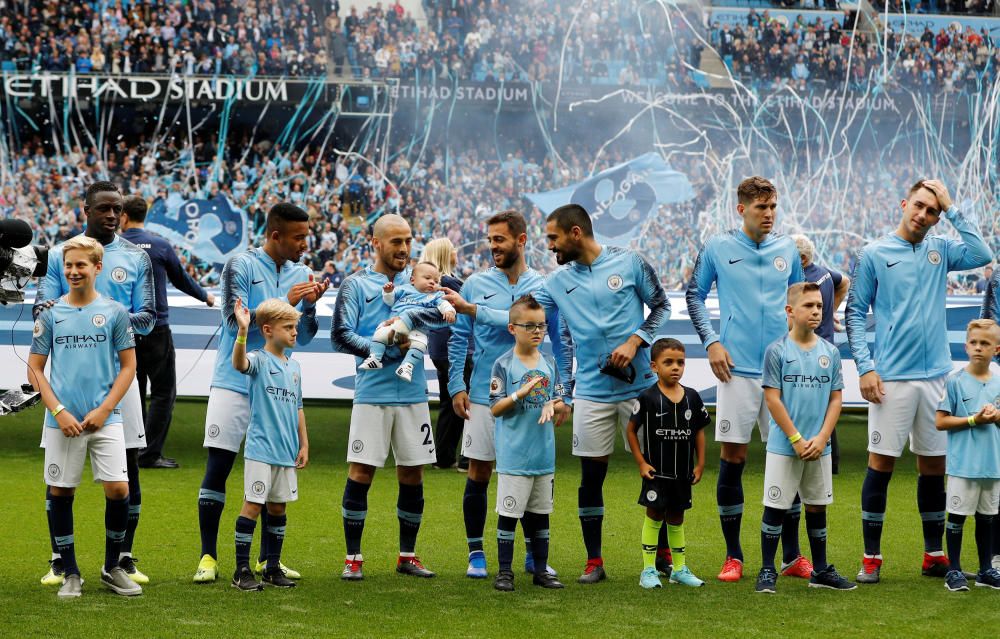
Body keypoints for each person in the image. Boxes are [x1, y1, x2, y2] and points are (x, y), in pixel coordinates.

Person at [445, 204, 669, 584]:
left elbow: (661, 306)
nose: (549, 246)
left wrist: (636, 340)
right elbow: (522, 319)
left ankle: (664, 556)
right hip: (594, 391)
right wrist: (473, 310)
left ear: (576, 233)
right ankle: (593, 563)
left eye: (553, 238)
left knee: (657, 471)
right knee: (590, 477)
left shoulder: (630, 262)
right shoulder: (555, 283)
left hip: (641, 384)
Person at [846, 179, 992, 584]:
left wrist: (952, 206)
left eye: (933, 211)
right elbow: (855, 313)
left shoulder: (940, 250)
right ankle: (871, 557)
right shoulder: (873, 253)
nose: (924, 215)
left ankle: (933, 554)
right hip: (891, 378)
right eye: (920, 206)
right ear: (904, 203)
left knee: (934, 468)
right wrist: (865, 367)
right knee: (881, 465)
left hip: (937, 379)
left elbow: (983, 253)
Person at [193, 203, 326, 584]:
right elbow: (235, 321)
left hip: (275, 388)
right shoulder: (241, 265)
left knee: (273, 471)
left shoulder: (303, 272)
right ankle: (208, 555)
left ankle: (269, 561)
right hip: (234, 381)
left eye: (306, 235)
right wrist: (289, 301)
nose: (305, 243)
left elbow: (306, 334)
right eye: (298, 237)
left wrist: (310, 308)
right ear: (275, 236)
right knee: (218, 467)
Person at [686, 176, 808, 583]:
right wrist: (713, 342)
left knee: (787, 459)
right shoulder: (719, 247)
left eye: (773, 207)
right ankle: (733, 556)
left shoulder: (787, 248)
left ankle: (791, 556)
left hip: (781, 374)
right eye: (761, 208)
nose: (770, 215)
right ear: (741, 210)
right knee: (733, 459)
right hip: (734, 370)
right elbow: (694, 296)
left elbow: (796, 304)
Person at [35, 181, 156, 587]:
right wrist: (82, 315)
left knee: (128, 469)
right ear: (85, 209)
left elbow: (149, 316)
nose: (111, 215)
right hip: (70, 383)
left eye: (117, 208)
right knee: (60, 480)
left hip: (118, 378)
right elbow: (43, 307)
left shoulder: (137, 256)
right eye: (103, 208)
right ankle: (60, 561)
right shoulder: (60, 253)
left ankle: (121, 558)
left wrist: (108, 320)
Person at [444, 210, 563, 579]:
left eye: (500, 239)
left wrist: (562, 393)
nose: (493, 246)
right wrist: (455, 385)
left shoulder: (543, 286)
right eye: (490, 240)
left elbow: (556, 341)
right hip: (483, 394)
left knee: (528, 470)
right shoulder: (476, 283)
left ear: (522, 240)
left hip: (533, 399)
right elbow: (458, 339)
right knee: (479, 470)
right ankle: (476, 553)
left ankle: (532, 556)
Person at [332, 213, 437, 581]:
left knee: (412, 472)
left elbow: (439, 319)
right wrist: (390, 346)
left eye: (408, 241)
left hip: (412, 393)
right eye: (396, 242)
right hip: (373, 392)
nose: (404, 249)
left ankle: (407, 555)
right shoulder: (356, 285)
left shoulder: (420, 283)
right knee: (361, 471)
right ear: (375, 243)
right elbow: (341, 336)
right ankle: (353, 558)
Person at [756, 282, 854, 594]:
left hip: (819, 447)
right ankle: (768, 569)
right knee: (776, 506)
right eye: (808, 305)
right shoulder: (777, 351)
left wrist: (823, 437)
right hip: (786, 447)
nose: (815, 311)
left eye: (819, 307)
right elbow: (773, 399)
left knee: (816, 506)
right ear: (790, 311)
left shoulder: (830, 352)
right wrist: (797, 438)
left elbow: (836, 400)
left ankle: (821, 570)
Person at [119, 195, 216, 470]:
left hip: (123, 328)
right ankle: (149, 454)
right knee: (163, 392)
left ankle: (130, 449)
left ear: (123, 217)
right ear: (144, 215)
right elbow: (181, 279)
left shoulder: (113, 247)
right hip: (156, 328)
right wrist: (205, 297)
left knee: (132, 389)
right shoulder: (160, 245)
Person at [229, 297, 309, 591]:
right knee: (252, 504)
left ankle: (272, 567)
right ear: (267, 330)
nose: (294, 332)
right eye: (288, 327)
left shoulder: (295, 366)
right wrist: (241, 330)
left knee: (278, 508)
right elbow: (238, 364)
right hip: (261, 449)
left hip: (286, 451)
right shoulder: (258, 360)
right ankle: (241, 570)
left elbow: (298, 407)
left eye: (295, 327)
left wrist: (304, 444)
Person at [488, 295, 566, 591]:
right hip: (514, 456)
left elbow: (559, 397)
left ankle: (541, 570)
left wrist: (554, 406)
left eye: (542, 326)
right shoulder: (503, 364)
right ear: (512, 328)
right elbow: (495, 408)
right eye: (530, 326)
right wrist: (520, 394)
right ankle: (504, 572)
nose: (537, 331)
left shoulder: (550, 362)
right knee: (509, 515)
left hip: (543, 455)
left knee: (541, 516)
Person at [626, 338, 708, 590]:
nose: (675, 367)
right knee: (654, 515)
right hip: (657, 473)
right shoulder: (648, 397)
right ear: (654, 366)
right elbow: (631, 430)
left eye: (680, 362)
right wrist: (641, 462)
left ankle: (679, 569)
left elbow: (699, 433)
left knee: (677, 517)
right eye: (668, 362)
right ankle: (648, 570)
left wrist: (700, 464)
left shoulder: (693, 397)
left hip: (683, 473)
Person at [934, 319, 1000, 591]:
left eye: (985, 344)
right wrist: (974, 420)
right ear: (966, 346)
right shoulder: (955, 381)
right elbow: (940, 421)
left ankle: (986, 570)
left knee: (987, 517)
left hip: (993, 465)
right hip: (963, 465)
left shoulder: (998, 382)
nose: (978, 348)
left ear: (996, 348)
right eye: (973, 343)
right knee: (957, 516)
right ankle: (955, 570)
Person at [792, 233, 850, 474]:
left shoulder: (802, 282)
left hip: (811, 346)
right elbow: (844, 282)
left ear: (803, 258)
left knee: (806, 399)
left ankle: (807, 451)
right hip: (827, 345)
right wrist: (831, 311)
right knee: (824, 402)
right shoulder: (826, 273)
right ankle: (831, 460)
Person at [358, 261, 457, 382]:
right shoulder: (404, 289)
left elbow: (444, 304)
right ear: (412, 280)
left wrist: (449, 311)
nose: (432, 282)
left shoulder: (436, 295)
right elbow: (390, 301)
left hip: (417, 330)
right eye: (427, 278)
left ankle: (407, 366)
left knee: (421, 344)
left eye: (436, 281)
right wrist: (388, 292)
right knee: (380, 333)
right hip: (394, 325)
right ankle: (375, 358)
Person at [420, 238, 469, 471]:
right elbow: (470, 308)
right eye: (452, 249)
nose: (456, 251)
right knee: (468, 399)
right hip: (456, 348)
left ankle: (443, 456)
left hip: (439, 350)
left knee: (449, 402)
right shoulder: (449, 282)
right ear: (443, 254)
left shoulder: (428, 283)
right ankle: (469, 457)